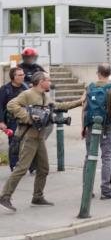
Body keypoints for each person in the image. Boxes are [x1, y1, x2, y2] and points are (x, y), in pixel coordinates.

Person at [0, 72, 83, 212]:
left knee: (44, 169)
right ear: (41, 82)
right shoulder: (28, 94)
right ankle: (4, 197)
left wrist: (80, 101)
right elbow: (11, 105)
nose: (50, 82)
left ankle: (37, 197)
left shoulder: (45, 96)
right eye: (48, 80)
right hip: (28, 137)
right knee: (21, 168)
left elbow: (59, 105)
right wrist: (28, 117)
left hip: (39, 138)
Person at [82, 63, 111, 200]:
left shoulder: (90, 87)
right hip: (106, 126)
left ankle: (87, 189)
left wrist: (83, 126)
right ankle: (106, 189)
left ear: (98, 72)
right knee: (106, 157)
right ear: (110, 73)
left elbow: (84, 107)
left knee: (89, 156)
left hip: (91, 125)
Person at [0, 67, 29, 171]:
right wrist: (1, 122)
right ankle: (14, 165)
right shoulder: (5, 89)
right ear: (13, 77)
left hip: (25, 119)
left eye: (23, 74)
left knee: (29, 143)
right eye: (20, 75)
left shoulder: (25, 87)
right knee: (14, 143)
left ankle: (31, 166)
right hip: (12, 121)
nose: (23, 77)